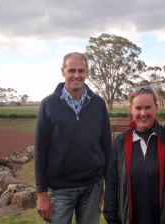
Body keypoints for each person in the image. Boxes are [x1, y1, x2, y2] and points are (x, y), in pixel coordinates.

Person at [34, 52, 112, 224]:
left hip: (93, 187)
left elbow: (107, 146)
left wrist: (110, 186)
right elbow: (40, 150)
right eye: (72, 70)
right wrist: (41, 194)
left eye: (81, 71)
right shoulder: (48, 104)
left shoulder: (98, 104)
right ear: (63, 71)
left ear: (87, 72)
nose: (77, 75)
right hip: (60, 190)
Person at [103, 86, 165, 224]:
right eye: (138, 108)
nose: (143, 113)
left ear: (156, 107)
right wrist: (112, 218)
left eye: (148, 107)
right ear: (131, 109)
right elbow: (112, 184)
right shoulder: (120, 143)